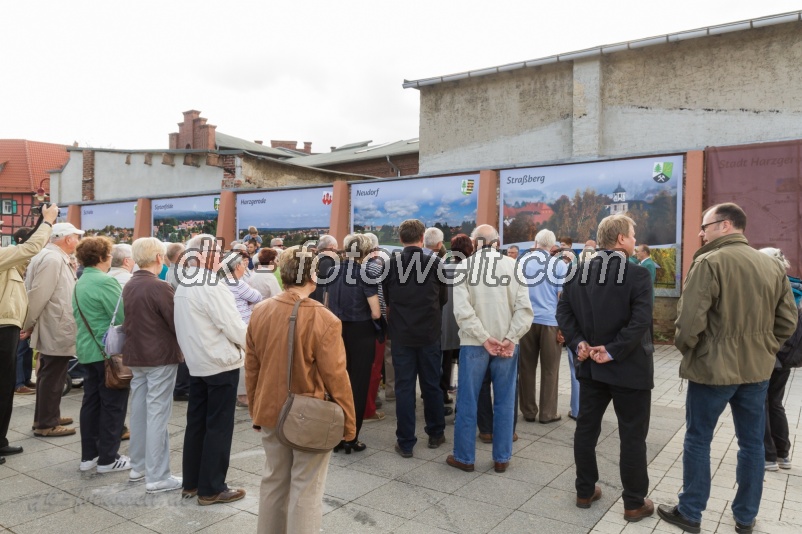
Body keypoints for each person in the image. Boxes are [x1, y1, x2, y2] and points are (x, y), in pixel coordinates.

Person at [660, 203, 797, 533]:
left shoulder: (709, 261)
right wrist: (763, 348)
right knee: (751, 445)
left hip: (712, 370)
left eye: (704, 227)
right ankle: (745, 517)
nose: (701, 233)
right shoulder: (771, 265)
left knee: (698, 439)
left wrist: (689, 347)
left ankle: (691, 512)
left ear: (724, 225)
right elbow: (788, 321)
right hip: (756, 370)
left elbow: (689, 323)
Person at [245, 245, 356, 533]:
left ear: (283, 275)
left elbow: (253, 366)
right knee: (306, 490)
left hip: (269, 409)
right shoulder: (325, 319)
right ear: (314, 277)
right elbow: (337, 377)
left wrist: (256, 408)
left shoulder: (260, 311)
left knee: (273, 482)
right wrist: (349, 421)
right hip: (310, 414)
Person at [556, 213, 655, 522]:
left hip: (592, 368)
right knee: (632, 436)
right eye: (633, 234)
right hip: (629, 370)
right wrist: (608, 351)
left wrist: (579, 344)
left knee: (586, 429)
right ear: (621, 239)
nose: (636, 239)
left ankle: (584, 490)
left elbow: (564, 313)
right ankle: (634, 502)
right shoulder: (637, 274)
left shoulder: (577, 272)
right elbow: (641, 322)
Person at [447, 225, 533, 474]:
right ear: (497, 243)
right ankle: (501, 458)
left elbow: (462, 311)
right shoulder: (513, 265)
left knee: (467, 400)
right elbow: (524, 309)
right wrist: (510, 338)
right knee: (505, 401)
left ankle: (464, 457)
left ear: (474, 243)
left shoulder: (465, 266)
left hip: (475, 344)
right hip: (506, 344)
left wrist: (485, 338)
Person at [174, 234, 247, 505]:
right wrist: (253, 343)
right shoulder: (210, 283)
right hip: (218, 362)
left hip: (198, 361)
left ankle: (192, 482)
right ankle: (212, 488)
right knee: (218, 425)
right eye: (217, 252)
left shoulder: (186, 281)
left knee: (197, 423)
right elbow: (233, 326)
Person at [123, 237, 184, 492]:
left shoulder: (131, 284)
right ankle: (157, 475)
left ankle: (138, 466)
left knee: (139, 411)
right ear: (159, 258)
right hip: (159, 357)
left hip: (137, 355)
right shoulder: (159, 286)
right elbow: (176, 322)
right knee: (157, 413)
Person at [383, 219, 448, 457]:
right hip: (429, 333)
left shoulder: (391, 264)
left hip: (401, 334)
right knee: (431, 384)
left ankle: (406, 441)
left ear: (401, 239)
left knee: (404, 388)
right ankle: (436, 433)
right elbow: (443, 299)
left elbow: (388, 299)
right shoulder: (434, 263)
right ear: (422, 238)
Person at [0, 205, 58, 463]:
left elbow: (26, 253)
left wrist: (40, 222)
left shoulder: (5, 257)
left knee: (4, 389)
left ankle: (0, 441)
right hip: (1, 329)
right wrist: (46, 222)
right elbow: (29, 249)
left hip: (7, 327)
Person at [73, 236, 130, 473]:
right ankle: (108, 458)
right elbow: (122, 318)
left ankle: (90, 456)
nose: (110, 259)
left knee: (91, 403)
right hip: (106, 352)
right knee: (113, 405)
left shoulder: (81, 280)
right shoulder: (106, 282)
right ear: (101, 257)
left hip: (87, 349)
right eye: (108, 255)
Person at [321, 234, 381, 452]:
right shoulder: (366, 273)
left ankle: (336, 435)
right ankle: (351, 437)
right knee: (358, 385)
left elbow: (325, 305)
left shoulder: (332, 270)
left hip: (336, 330)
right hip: (361, 332)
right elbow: (375, 312)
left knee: (336, 382)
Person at [25, 221, 85, 437]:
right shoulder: (52, 258)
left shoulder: (52, 256)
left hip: (55, 322)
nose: (77, 241)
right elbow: (39, 293)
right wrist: (28, 323)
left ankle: (46, 416)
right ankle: (46, 424)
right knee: (52, 375)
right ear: (68, 239)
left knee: (50, 374)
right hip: (56, 324)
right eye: (76, 237)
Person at [759, 247, 802, 472]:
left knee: (762, 403)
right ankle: (783, 455)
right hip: (785, 356)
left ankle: (768, 456)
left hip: (769, 353)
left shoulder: (770, 286)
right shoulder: (792, 286)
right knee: (775, 403)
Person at [519, 229, 568, 424]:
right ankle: (548, 413)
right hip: (551, 322)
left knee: (526, 367)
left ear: (536, 242)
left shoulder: (522, 262)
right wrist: (564, 327)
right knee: (550, 369)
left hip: (526, 322)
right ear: (553, 246)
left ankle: (528, 411)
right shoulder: (559, 265)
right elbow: (561, 298)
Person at [223, 249, 263, 409]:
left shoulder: (221, 282)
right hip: (242, 327)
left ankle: (236, 393)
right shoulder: (238, 284)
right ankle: (242, 396)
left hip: (228, 326)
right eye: (242, 263)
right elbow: (258, 298)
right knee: (244, 362)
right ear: (237, 266)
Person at [441, 234, 472, 408]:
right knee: (465, 366)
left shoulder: (443, 268)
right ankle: (462, 404)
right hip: (465, 324)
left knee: (444, 362)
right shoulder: (473, 270)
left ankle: (443, 396)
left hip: (445, 323)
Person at [11, 227, 36, 396]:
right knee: (20, 349)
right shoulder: (15, 257)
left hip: (25, 306)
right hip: (17, 309)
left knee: (27, 348)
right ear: (21, 241)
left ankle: (26, 379)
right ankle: (18, 383)